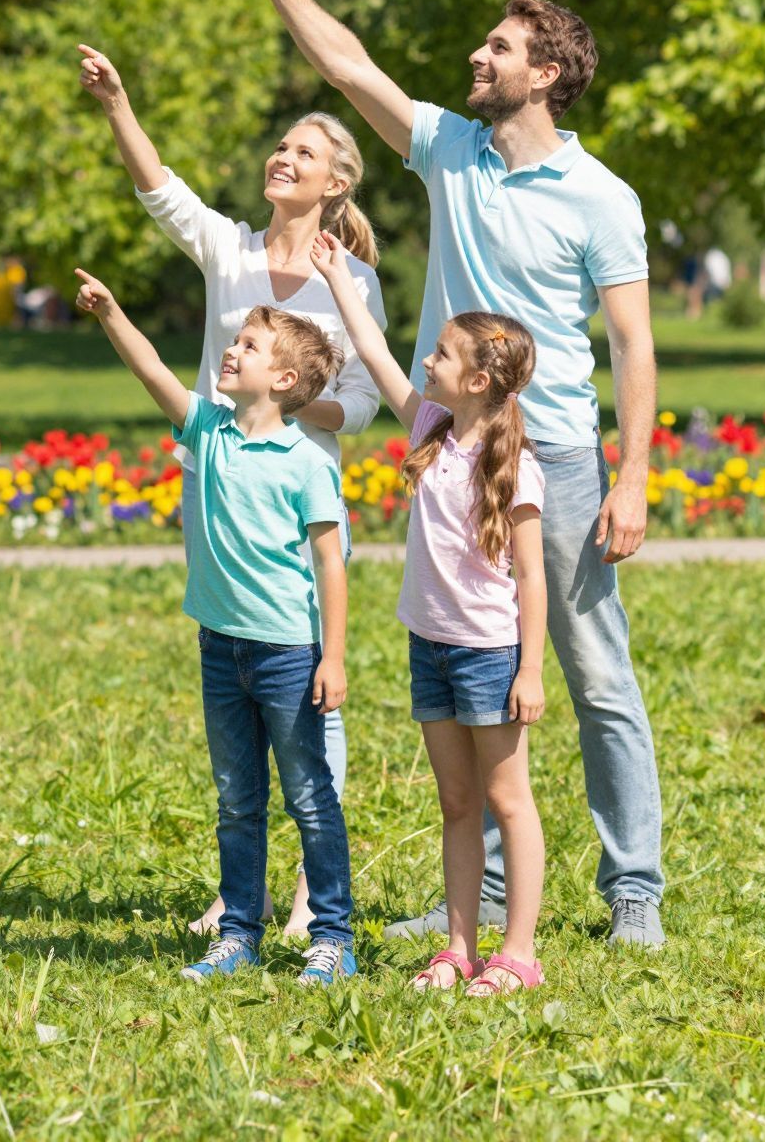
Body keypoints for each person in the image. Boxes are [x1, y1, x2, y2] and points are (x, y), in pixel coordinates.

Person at [223, 0, 664, 949]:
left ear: (546, 73)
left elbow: (634, 346)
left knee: (593, 669)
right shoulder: (450, 149)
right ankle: (495, 895)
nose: (478, 56)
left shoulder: (603, 198)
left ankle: (632, 882)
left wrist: (630, 477)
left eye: (499, 48)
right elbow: (349, 65)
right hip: (442, 453)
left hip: (550, 455)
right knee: (469, 652)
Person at [78, 43, 385, 936]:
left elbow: (364, 401)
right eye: (279, 147)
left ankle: (309, 892)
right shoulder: (230, 249)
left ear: (336, 181)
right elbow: (159, 188)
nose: (282, 158)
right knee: (238, 679)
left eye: (304, 152)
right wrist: (118, 103)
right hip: (217, 491)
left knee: (309, 691)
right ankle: (239, 887)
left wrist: (288, 416)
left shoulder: (352, 278)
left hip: (298, 494)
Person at [74, 272, 356, 988]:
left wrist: (335, 658)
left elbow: (332, 564)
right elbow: (150, 369)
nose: (231, 350)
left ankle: (333, 937)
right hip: (220, 648)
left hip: (291, 654)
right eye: (235, 341)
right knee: (236, 799)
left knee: (310, 798)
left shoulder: (305, 463)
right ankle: (238, 934)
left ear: (284, 377)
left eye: (249, 345)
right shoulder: (208, 431)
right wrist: (112, 314)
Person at [312, 230, 547, 995]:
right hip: (432, 647)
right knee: (455, 803)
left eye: (442, 355)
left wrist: (532, 669)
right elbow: (375, 353)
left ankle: (517, 954)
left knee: (507, 801)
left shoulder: (516, 467)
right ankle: (457, 946)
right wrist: (338, 280)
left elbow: (533, 580)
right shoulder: (430, 431)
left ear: (479, 378)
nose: (427, 364)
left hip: (488, 654)